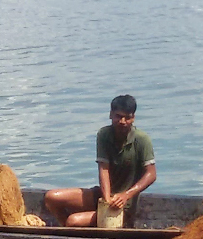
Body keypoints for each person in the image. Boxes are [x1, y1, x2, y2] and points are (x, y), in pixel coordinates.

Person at [44, 94, 157, 227]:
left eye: (127, 117)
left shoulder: (141, 139)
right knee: (51, 198)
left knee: (73, 221)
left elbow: (151, 174)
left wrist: (126, 195)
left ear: (133, 118)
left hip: (124, 204)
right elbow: (104, 169)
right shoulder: (104, 135)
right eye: (118, 116)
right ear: (111, 115)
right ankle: (72, 234)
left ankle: (80, 231)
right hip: (103, 195)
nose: (122, 121)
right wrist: (107, 199)